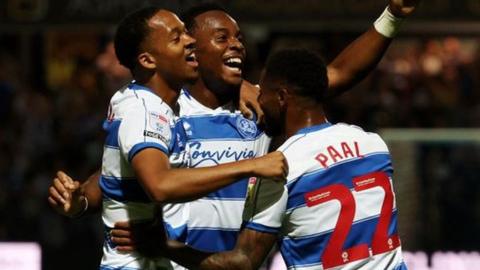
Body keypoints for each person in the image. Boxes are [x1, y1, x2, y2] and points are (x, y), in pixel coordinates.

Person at [47, 7, 287, 270]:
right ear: (148, 60)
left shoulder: (158, 105)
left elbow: (118, 172)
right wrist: (252, 165)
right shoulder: (147, 110)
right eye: (177, 38)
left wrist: (80, 200)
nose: (189, 42)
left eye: (239, 38)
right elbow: (159, 183)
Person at [148, 48, 408, 270]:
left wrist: (165, 247)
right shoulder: (373, 144)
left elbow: (243, 262)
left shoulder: (279, 168)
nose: (258, 99)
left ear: (282, 97)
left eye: (264, 93)